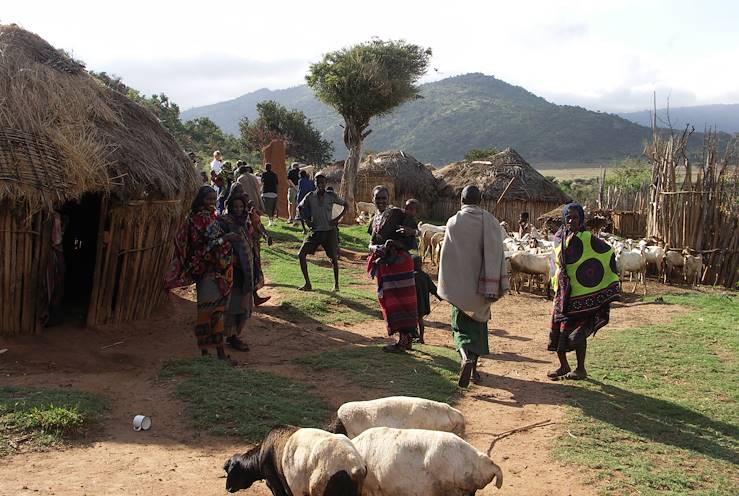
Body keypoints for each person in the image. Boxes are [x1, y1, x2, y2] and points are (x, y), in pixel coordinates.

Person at [438, 185, 508, 387]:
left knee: (459, 327)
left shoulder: (453, 222)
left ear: (461, 199)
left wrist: (448, 284)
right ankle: (474, 370)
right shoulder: (492, 222)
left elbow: (447, 257)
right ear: (481, 199)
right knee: (478, 328)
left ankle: (464, 359)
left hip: (460, 288)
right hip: (484, 286)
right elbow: (499, 254)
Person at [165, 186, 241, 364]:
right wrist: (226, 238)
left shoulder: (207, 217)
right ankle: (217, 354)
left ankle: (208, 353)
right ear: (200, 200)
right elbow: (205, 245)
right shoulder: (199, 219)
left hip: (213, 271)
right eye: (208, 199)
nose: (212, 202)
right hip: (207, 270)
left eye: (214, 199)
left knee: (212, 312)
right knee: (211, 312)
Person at [547, 203, 620, 380]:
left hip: (582, 294)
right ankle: (563, 365)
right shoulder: (559, 237)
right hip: (563, 294)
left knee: (577, 333)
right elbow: (554, 261)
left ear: (581, 219)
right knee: (558, 329)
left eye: (575, 217)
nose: (571, 220)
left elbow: (607, 252)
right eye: (568, 217)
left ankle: (580, 369)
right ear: (564, 218)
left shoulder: (587, 238)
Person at [367, 185, 419, 353]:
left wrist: (411, 232)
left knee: (403, 301)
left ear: (388, 199)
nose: (381, 201)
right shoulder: (374, 219)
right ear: (372, 199)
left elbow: (414, 230)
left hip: (400, 263)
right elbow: (371, 243)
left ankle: (404, 340)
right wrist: (375, 249)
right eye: (378, 198)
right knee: (389, 300)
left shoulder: (396, 213)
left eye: (383, 198)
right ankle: (405, 339)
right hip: (385, 264)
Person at [218, 186, 254, 351]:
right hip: (231, 271)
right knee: (233, 305)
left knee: (244, 304)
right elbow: (217, 242)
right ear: (230, 207)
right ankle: (231, 337)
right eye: (235, 207)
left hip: (245, 272)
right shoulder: (224, 222)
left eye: (241, 207)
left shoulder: (245, 222)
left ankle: (236, 335)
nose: (239, 210)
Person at [297, 174, 346, 292]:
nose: (321, 184)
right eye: (318, 182)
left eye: (323, 182)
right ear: (315, 183)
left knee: (333, 257)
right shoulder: (310, 196)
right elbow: (300, 207)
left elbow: (346, 205)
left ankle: (336, 285)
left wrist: (336, 219)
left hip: (329, 231)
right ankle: (308, 284)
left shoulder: (331, 196)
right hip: (315, 231)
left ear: (326, 183)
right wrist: (307, 220)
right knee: (301, 254)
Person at [413, 255, 441, 344]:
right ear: (421, 264)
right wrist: (440, 297)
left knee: (414, 321)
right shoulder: (425, 276)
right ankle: (421, 338)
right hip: (422, 303)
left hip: (413, 303)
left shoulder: (411, 276)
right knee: (420, 320)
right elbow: (433, 289)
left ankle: (415, 336)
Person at [296, 169, 316, 234]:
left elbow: (300, 191)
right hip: (310, 199)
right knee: (310, 214)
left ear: (300, 175)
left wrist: (298, 200)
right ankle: (312, 228)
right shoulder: (311, 182)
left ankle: (304, 230)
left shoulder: (300, 181)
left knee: (302, 214)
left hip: (302, 199)